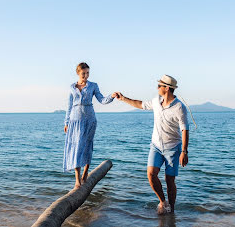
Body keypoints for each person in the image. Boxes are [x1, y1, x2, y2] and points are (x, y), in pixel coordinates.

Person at [115, 74, 189, 214]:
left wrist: (184, 151)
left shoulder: (180, 107)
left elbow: (185, 129)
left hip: (173, 148)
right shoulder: (156, 101)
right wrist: (123, 98)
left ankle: (171, 210)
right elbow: (140, 104)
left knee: (169, 181)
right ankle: (163, 202)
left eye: (160, 85)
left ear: (167, 88)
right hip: (156, 146)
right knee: (151, 174)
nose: (157, 87)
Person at [63, 62, 116, 189]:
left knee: (87, 146)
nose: (86, 76)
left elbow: (102, 99)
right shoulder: (72, 87)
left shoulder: (93, 86)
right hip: (75, 120)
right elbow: (69, 106)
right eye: (83, 73)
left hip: (90, 120)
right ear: (78, 73)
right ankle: (77, 179)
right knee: (76, 148)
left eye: (87, 73)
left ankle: (86, 171)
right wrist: (66, 122)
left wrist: (112, 96)